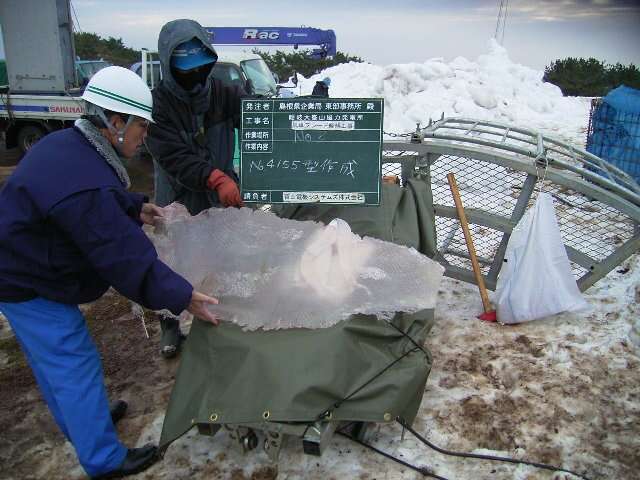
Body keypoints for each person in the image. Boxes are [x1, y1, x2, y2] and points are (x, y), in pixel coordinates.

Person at [0, 66, 219, 479]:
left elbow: (88, 197)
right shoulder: (87, 181)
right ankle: (104, 459)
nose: (144, 136)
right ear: (114, 122)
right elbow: (124, 257)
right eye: (140, 126)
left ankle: (88, 420)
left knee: (55, 362)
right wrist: (183, 296)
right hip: (25, 278)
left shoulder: (73, 144)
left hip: (20, 261)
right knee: (70, 360)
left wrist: (134, 206)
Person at [145, 19, 245, 358]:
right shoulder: (156, 106)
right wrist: (215, 178)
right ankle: (170, 327)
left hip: (222, 197)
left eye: (202, 66)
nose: (196, 74)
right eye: (186, 68)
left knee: (223, 259)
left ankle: (219, 316)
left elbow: (257, 120)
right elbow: (175, 156)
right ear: (169, 65)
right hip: (177, 197)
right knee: (173, 264)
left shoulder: (223, 93)